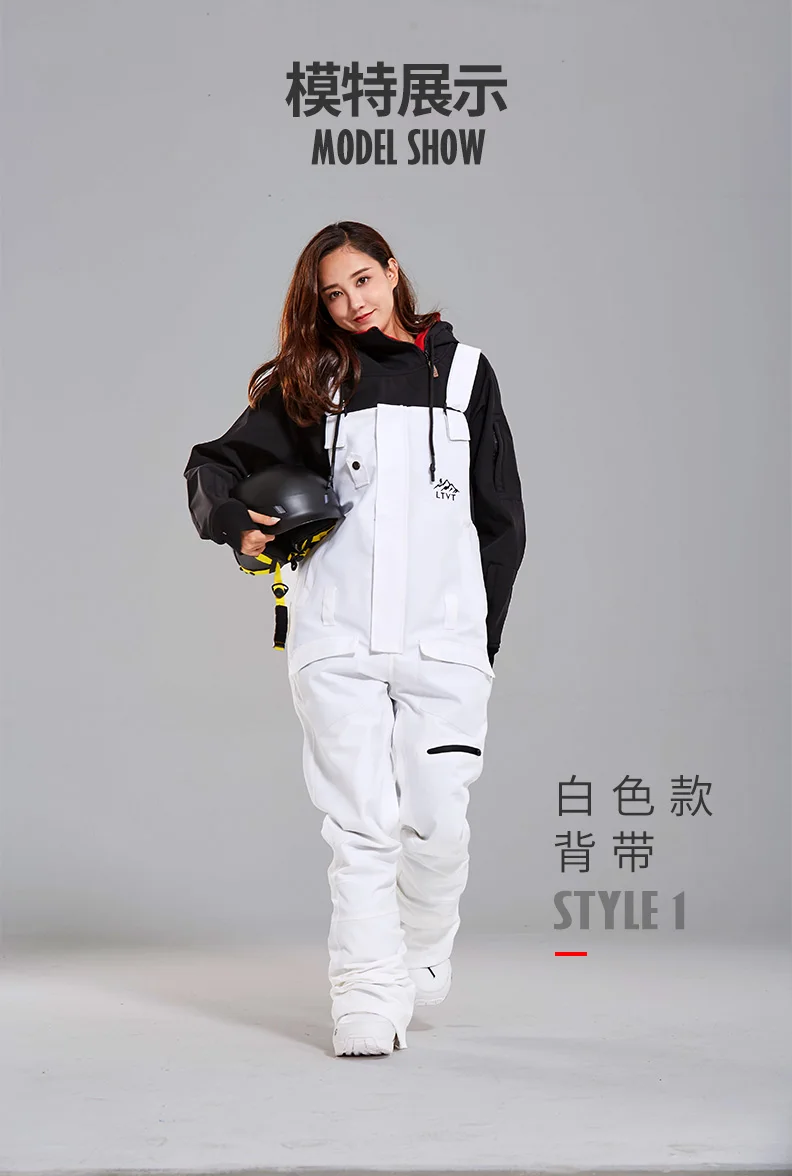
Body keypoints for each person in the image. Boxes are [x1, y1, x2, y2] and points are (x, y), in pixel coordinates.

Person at [183, 221, 526, 1058]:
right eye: (332, 294)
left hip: (444, 641)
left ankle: (420, 947)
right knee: (361, 826)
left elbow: (501, 522)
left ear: (393, 271)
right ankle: (366, 996)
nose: (352, 304)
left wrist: (479, 642)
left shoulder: (467, 375)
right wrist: (233, 522)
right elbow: (213, 465)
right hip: (337, 638)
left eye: (363, 281)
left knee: (438, 823)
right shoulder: (315, 382)